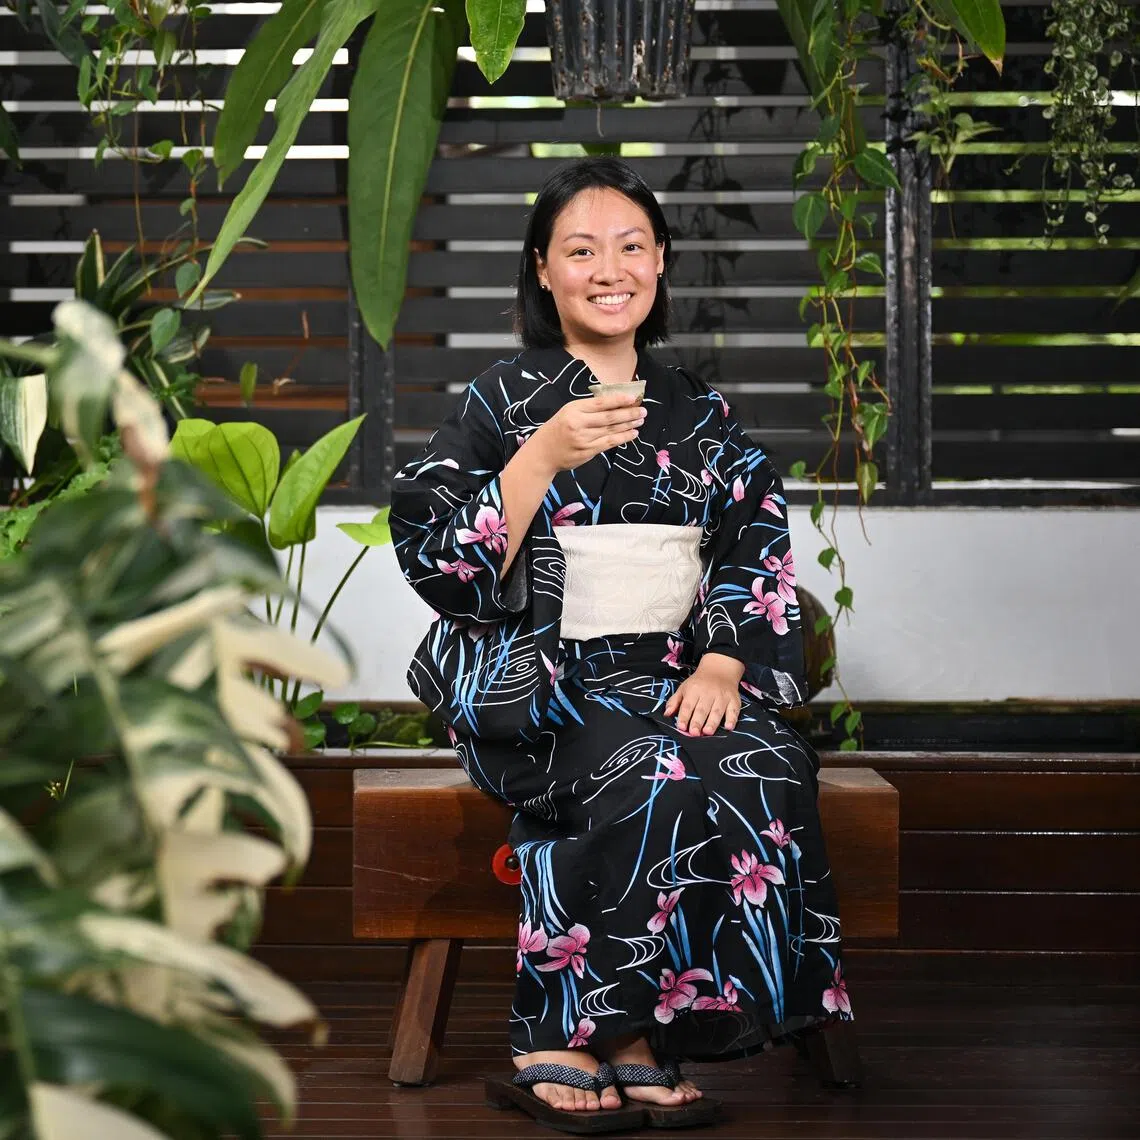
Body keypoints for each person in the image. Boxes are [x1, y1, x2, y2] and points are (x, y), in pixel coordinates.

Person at [389, 157, 850, 1133]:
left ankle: (650, 1025)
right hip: (541, 677)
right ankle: (582, 1034)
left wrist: (726, 662)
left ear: (663, 263)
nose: (610, 267)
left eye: (632, 246)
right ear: (543, 271)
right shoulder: (497, 403)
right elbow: (436, 558)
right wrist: (543, 453)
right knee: (643, 772)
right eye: (581, 249)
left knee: (764, 764)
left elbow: (754, 540)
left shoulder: (701, 413)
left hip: (678, 667)